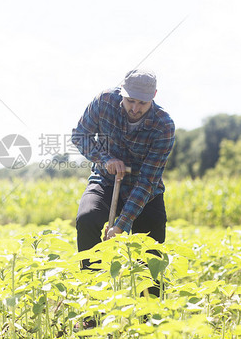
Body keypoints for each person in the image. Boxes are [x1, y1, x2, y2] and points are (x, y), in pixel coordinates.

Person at [71, 68, 175, 271]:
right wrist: (105, 158)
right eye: (130, 101)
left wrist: (121, 225)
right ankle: (92, 289)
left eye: (142, 103)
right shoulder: (104, 102)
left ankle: (148, 298)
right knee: (87, 218)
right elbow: (80, 135)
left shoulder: (164, 126)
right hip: (105, 181)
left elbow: (147, 180)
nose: (135, 108)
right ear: (122, 91)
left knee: (150, 252)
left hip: (144, 190)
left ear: (153, 96)